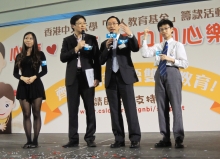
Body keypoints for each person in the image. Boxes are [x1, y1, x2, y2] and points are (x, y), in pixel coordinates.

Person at [140, 19, 188, 148]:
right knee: (161, 107)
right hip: (159, 74)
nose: (164, 31)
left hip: (172, 72)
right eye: (161, 29)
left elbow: (184, 63)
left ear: (172, 29)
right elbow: (145, 54)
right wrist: (144, 38)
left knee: (176, 106)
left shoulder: (177, 45)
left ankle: (178, 137)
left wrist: (170, 59)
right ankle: (165, 138)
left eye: (166, 28)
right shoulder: (158, 46)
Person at [100, 16, 141, 148]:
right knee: (114, 110)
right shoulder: (105, 43)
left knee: (130, 108)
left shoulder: (125, 39)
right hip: (111, 78)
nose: (111, 26)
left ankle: (135, 138)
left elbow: (135, 48)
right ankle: (119, 139)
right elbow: (100, 60)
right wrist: (106, 48)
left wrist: (130, 34)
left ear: (118, 25)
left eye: (114, 23)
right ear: (107, 27)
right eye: (109, 24)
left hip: (125, 77)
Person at [60, 15, 101, 148]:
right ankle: (73, 139)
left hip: (88, 76)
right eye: (79, 23)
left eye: (84, 23)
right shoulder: (67, 40)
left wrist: (97, 77)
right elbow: (63, 57)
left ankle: (90, 137)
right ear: (73, 26)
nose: (83, 25)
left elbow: (97, 59)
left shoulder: (91, 39)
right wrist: (76, 48)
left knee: (90, 108)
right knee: (72, 109)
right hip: (73, 78)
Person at [13, 32, 47, 148]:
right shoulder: (19, 56)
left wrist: (34, 77)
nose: (28, 40)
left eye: (30, 38)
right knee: (26, 114)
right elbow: (15, 73)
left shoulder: (40, 54)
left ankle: (35, 141)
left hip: (36, 85)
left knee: (36, 113)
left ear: (34, 40)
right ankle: (28, 141)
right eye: (26, 38)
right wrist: (22, 78)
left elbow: (44, 70)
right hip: (23, 86)